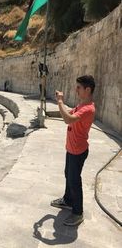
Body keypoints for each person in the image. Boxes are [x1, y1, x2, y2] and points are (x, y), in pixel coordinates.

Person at [50, 75, 96, 227]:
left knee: (74, 181)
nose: (76, 90)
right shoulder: (81, 105)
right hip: (71, 149)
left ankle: (78, 213)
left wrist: (60, 101)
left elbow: (68, 119)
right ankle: (68, 200)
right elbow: (70, 113)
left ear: (87, 90)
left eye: (79, 87)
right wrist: (61, 107)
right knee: (68, 175)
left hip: (78, 151)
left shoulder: (88, 109)